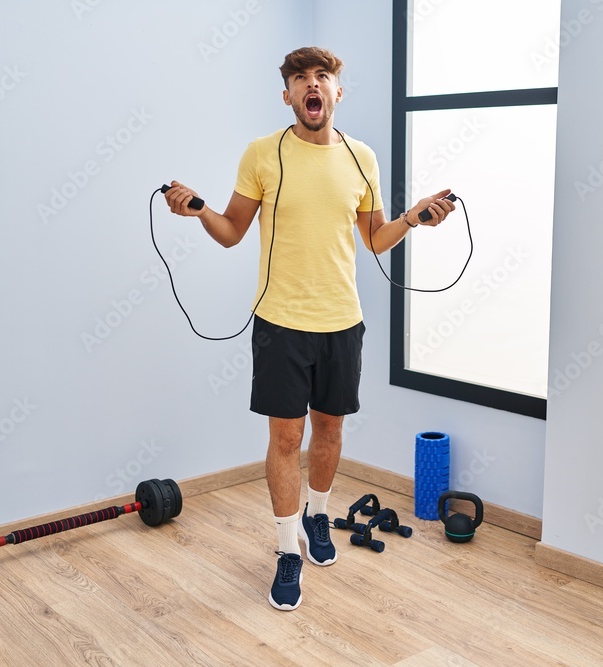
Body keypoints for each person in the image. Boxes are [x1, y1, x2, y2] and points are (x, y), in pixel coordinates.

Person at [164, 46, 454, 611]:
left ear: (337, 92)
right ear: (288, 95)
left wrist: (413, 217)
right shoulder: (262, 155)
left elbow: (373, 239)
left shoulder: (361, 157)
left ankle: (318, 519)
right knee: (284, 439)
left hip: (342, 323)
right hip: (280, 325)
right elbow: (230, 232)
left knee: (329, 431)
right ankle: (286, 550)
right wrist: (197, 210)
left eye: (322, 76)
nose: (311, 85)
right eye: (300, 79)